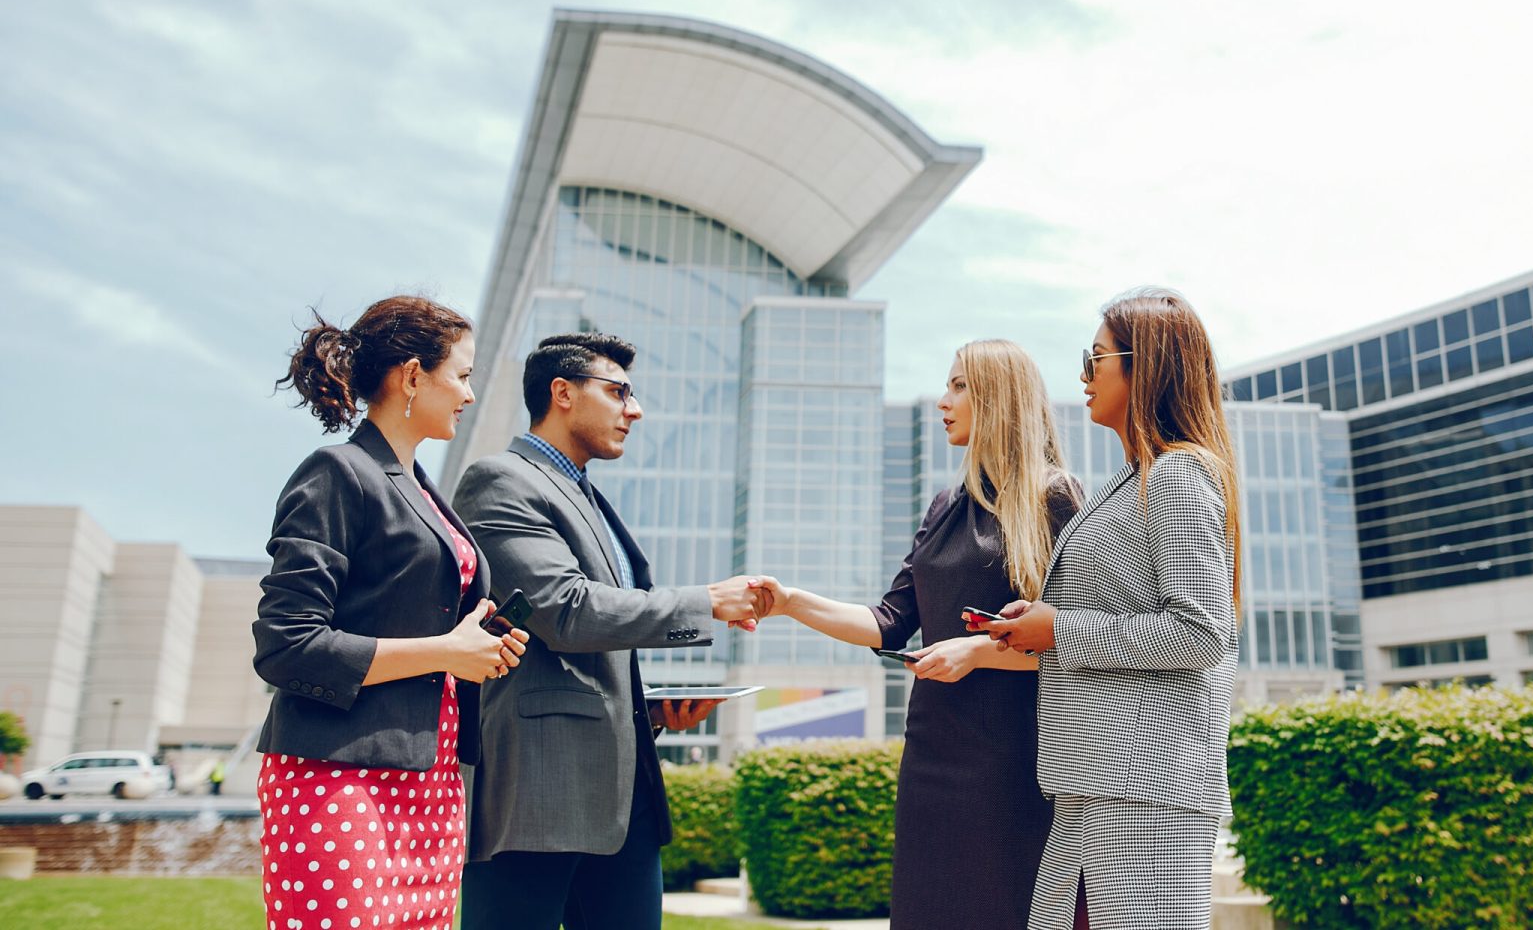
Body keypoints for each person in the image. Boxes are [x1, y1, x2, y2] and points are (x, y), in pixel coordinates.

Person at [451, 332, 774, 930]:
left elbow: (599, 641)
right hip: (539, 790)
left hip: (625, 797)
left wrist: (648, 710)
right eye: (619, 391)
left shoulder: (590, 498)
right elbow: (565, 611)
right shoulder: (501, 480)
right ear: (563, 392)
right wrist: (705, 602)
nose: (636, 409)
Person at [755, 340, 1082, 930]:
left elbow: (1078, 644)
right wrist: (791, 602)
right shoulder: (944, 506)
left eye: (959, 387)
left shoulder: (1055, 497)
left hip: (1014, 759)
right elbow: (888, 622)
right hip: (932, 752)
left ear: (999, 398)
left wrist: (977, 653)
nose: (942, 401)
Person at [254, 295, 529, 930]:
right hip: (337, 776)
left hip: (432, 781)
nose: (469, 394)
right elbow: (286, 645)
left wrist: (478, 648)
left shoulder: (426, 492)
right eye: (461, 374)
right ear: (411, 376)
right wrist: (446, 651)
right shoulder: (337, 472)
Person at [986, 289, 1242, 930]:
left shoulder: (1177, 476)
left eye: (1095, 358)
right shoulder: (1133, 480)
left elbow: (1202, 634)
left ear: (1144, 366)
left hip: (1146, 792)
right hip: (1095, 785)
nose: (1083, 375)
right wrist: (1039, 622)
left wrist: (1058, 629)